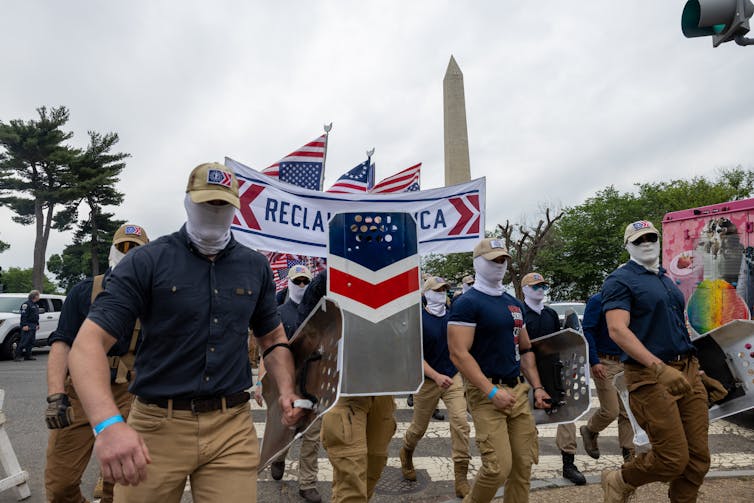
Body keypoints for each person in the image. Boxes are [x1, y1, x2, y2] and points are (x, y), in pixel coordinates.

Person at [67, 162, 305, 503]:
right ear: (188, 202)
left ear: (236, 209)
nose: (214, 212)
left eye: (223, 205)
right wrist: (108, 424)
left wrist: (285, 388)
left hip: (230, 426)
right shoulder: (147, 261)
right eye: (207, 204)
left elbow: (272, 338)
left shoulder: (255, 267)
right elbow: (87, 343)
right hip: (156, 425)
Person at [600, 220, 710, 503]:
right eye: (639, 240)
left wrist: (695, 365)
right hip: (650, 375)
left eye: (651, 237)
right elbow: (617, 329)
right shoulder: (619, 280)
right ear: (628, 246)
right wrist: (658, 367)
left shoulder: (664, 278)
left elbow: (675, 325)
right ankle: (620, 479)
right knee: (672, 458)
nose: (646, 243)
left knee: (698, 459)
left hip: (687, 369)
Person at [44, 223, 149, 503]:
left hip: (131, 393)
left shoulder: (154, 297)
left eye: (136, 249)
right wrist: (56, 396)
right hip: (79, 391)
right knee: (60, 485)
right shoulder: (83, 292)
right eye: (123, 247)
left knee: (121, 486)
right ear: (112, 250)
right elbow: (62, 342)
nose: (128, 253)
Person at [448, 238, 551, 503]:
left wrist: (537, 387)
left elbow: (525, 349)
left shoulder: (513, 303)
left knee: (523, 465)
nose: (500, 264)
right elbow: (459, 353)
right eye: (493, 260)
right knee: (497, 468)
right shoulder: (467, 303)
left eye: (503, 259)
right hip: (487, 393)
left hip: (517, 390)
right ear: (478, 262)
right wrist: (491, 391)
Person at [298, 269, 397, 503]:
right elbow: (305, 328)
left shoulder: (395, 274)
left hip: (381, 387)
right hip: (345, 389)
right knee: (351, 479)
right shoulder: (329, 278)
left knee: (375, 464)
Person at [256, 264, 323, 503]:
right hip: (285, 383)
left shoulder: (319, 311)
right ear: (291, 283)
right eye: (298, 282)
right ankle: (279, 457)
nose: (303, 286)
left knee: (312, 436)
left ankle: (308, 483)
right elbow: (269, 348)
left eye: (307, 281)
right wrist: (260, 383)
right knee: (285, 429)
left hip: (314, 383)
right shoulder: (279, 313)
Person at [399, 275, 471, 497]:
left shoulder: (452, 317)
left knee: (460, 423)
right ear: (426, 293)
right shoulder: (418, 320)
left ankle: (461, 478)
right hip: (428, 381)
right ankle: (406, 454)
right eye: (437, 290)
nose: (441, 294)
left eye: (444, 290)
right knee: (418, 429)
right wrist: (435, 375)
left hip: (453, 378)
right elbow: (413, 355)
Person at [520, 272, 586, 486]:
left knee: (567, 415)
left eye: (543, 287)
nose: (540, 290)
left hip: (552, 370)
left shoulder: (549, 314)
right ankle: (525, 467)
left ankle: (569, 463)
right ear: (525, 289)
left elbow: (560, 342)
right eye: (536, 286)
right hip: (527, 372)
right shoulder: (519, 314)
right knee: (527, 420)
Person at [579, 291, 635, 463]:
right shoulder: (598, 300)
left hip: (625, 362)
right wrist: (594, 361)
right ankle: (590, 430)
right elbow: (587, 331)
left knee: (628, 412)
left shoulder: (630, 301)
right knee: (611, 410)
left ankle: (629, 454)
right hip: (605, 362)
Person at [15, 290, 40, 361]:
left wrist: (37, 324)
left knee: (31, 341)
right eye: (38, 295)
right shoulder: (26, 304)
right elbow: (24, 316)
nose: (39, 297)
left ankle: (28, 356)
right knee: (24, 341)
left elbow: (36, 316)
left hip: (33, 325)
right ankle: (17, 356)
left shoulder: (35, 305)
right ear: (35, 296)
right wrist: (24, 325)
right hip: (27, 325)